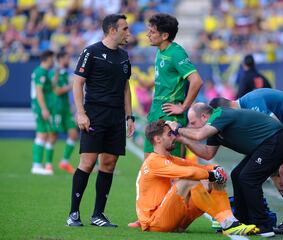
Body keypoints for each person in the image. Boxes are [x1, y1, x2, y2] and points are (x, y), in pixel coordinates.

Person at [166, 103, 283, 237]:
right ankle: (242, 220)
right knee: (237, 175)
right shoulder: (213, 128)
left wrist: (179, 128)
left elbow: (199, 135)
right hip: (266, 144)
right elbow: (207, 153)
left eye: (192, 122)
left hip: (277, 139)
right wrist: (183, 140)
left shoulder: (220, 114)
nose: (191, 126)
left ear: (204, 116)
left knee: (247, 178)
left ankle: (263, 225)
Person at [209, 88, 283, 234]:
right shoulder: (244, 107)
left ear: (224, 111)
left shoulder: (253, 103)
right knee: (273, 170)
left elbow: (274, 126)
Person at [66, 14, 135, 227]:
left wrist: (129, 116)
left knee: (109, 163)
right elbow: (78, 84)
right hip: (94, 114)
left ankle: (98, 215)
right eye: (125, 29)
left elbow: (125, 88)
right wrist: (81, 113)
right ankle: (73, 214)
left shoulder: (124, 56)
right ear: (112, 30)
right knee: (87, 162)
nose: (128, 33)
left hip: (116, 118)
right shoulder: (91, 52)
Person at [136, 120, 257, 236]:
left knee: (211, 180)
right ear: (157, 139)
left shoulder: (170, 159)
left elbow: (200, 167)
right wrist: (212, 174)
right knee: (188, 180)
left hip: (171, 218)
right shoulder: (154, 161)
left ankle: (230, 221)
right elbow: (190, 172)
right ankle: (225, 222)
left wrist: (215, 168)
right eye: (169, 134)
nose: (174, 137)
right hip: (155, 223)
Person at [144, 13, 203, 158]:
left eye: (152, 32)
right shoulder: (160, 51)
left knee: (172, 167)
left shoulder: (176, 53)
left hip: (170, 115)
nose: (147, 35)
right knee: (149, 164)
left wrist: (183, 107)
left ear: (164, 36)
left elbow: (196, 81)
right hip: (156, 111)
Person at [50, 51, 77, 174]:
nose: (69, 60)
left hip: (66, 109)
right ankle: (48, 164)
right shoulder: (53, 73)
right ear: (61, 59)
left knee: (73, 134)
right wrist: (72, 85)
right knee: (53, 136)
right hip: (56, 109)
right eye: (67, 58)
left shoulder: (66, 73)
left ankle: (64, 162)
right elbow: (56, 91)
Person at [30, 50, 56, 175]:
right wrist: (44, 108)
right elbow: (39, 91)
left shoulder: (44, 72)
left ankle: (38, 164)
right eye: (52, 58)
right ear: (47, 58)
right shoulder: (40, 72)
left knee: (44, 134)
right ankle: (36, 165)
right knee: (41, 135)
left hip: (42, 107)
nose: (54, 61)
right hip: (40, 107)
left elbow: (51, 89)